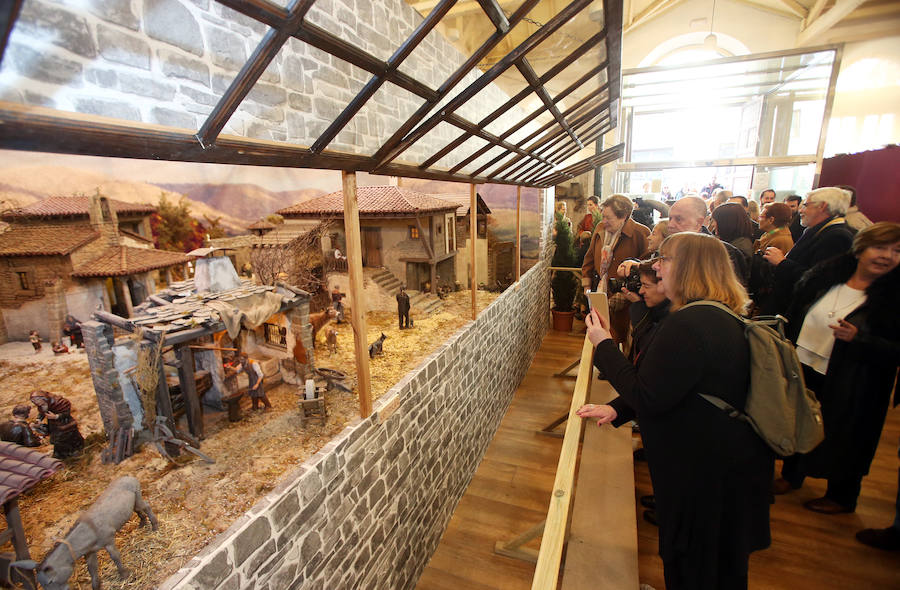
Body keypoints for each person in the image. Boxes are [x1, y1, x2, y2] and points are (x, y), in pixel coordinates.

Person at [577, 232, 773, 590]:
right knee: (716, 563)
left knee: (693, 561)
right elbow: (670, 384)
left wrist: (604, 345)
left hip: (703, 471)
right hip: (724, 464)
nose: (655, 267)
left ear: (688, 268)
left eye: (663, 259)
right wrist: (616, 410)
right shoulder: (711, 316)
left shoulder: (687, 324)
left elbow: (649, 394)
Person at [773, 223, 900, 514]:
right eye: (880, 247)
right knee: (802, 419)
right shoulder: (826, 277)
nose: (887, 256)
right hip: (805, 362)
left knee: (848, 434)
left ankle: (842, 495)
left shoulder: (894, 297)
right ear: (861, 248)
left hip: (856, 379)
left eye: (897, 251)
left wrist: (861, 340)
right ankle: (792, 475)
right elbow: (798, 310)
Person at [764, 187, 854, 314]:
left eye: (805, 205)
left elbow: (818, 280)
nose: (801, 210)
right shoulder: (818, 230)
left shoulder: (837, 237)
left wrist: (782, 262)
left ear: (822, 206)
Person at [581, 194, 650, 345]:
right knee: (598, 335)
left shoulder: (641, 234)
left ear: (623, 216)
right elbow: (590, 257)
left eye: (608, 218)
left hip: (625, 301)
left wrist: (625, 294)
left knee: (619, 339)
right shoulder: (600, 228)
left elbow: (646, 270)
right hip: (598, 292)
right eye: (603, 216)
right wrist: (586, 285)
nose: (603, 221)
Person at [667, 196, 749, 286]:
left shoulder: (722, 252)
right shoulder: (668, 247)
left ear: (698, 222)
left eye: (678, 219)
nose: (670, 225)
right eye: (670, 219)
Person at [29, 391, 84, 459]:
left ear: (43, 398)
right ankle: (61, 454)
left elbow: (66, 413)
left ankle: (75, 451)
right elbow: (42, 413)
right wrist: (38, 420)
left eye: (37, 400)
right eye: (33, 401)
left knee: (69, 438)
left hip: (65, 424)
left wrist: (56, 416)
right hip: (53, 425)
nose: (36, 402)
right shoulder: (42, 405)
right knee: (58, 441)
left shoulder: (60, 403)